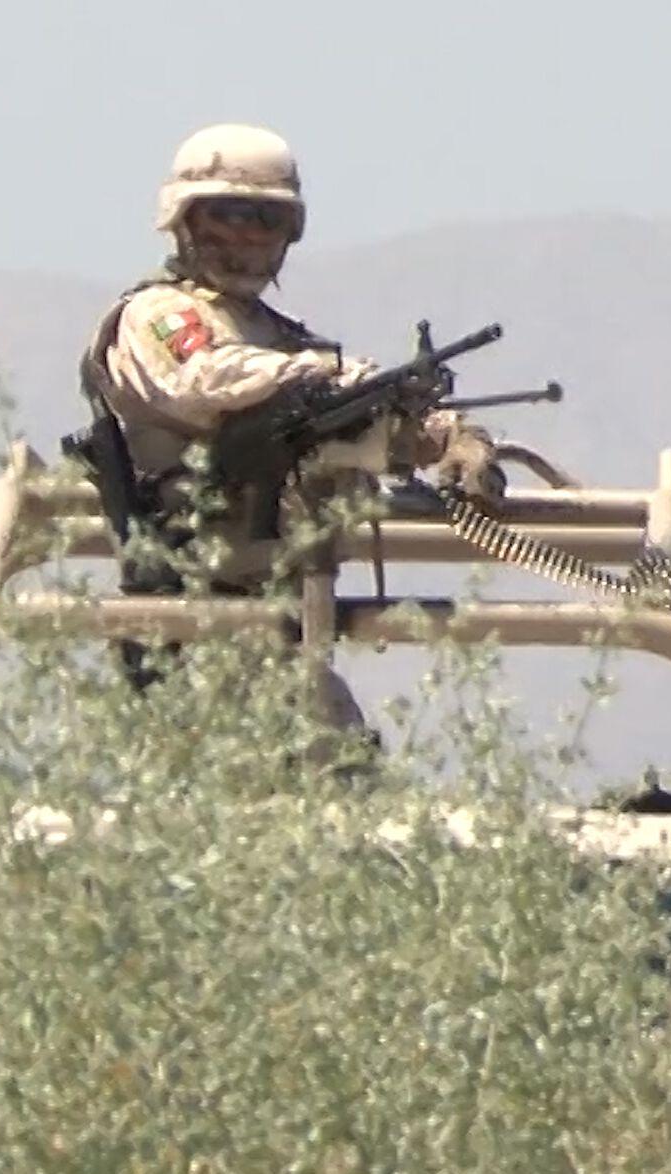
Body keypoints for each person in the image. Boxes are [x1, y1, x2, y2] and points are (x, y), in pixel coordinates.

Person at [78, 124, 505, 730]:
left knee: (336, 775)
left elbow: (346, 418)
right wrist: (327, 378)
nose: (246, 235)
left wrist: (448, 437)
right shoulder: (161, 315)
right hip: (192, 614)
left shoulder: (277, 335)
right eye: (226, 213)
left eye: (265, 218)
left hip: (271, 613)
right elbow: (206, 379)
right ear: (184, 219)